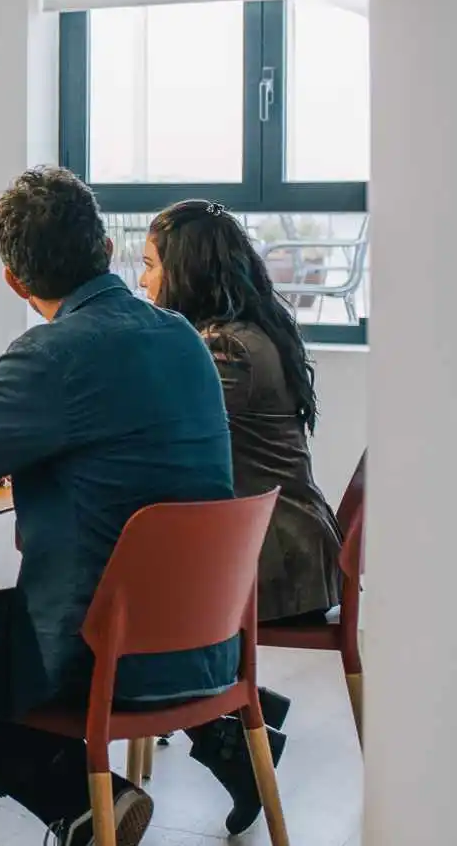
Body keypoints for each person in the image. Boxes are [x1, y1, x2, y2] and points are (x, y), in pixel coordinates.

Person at [0, 168, 239, 846]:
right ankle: (83, 799)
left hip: (102, 654)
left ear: (14, 281)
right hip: (206, 642)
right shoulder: (182, 337)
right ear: (106, 248)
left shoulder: (51, 355)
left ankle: (75, 799)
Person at [140, 199, 343, 835]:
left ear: (187, 270)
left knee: (119, 605)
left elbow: (162, 438)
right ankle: (238, 710)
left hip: (275, 557)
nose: (141, 280)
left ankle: (231, 722)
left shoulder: (225, 351)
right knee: (128, 594)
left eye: (150, 265)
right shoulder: (246, 333)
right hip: (290, 540)